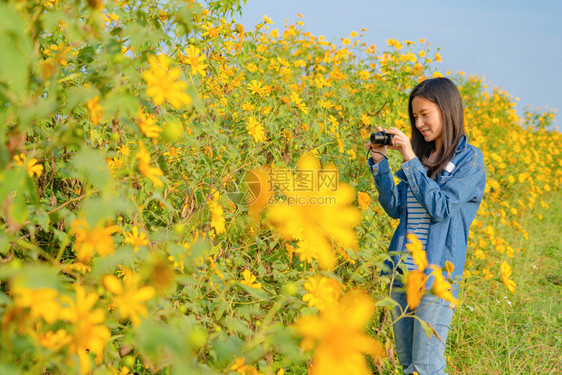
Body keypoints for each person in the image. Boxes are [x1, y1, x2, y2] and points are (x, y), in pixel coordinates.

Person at [365, 77, 486, 375]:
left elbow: (441, 208)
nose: (418, 124)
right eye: (415, 116)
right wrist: (380, 163)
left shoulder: (470, 160)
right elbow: (395, 208)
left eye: (425, 114)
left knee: (427, 367)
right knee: (409, 366)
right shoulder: (422, 158)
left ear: (447, 110)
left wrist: (408, 157)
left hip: (435, 279)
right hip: (401, 272)